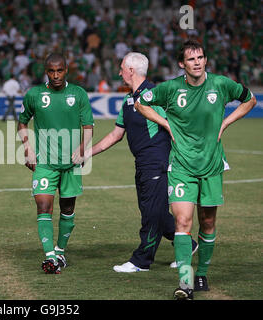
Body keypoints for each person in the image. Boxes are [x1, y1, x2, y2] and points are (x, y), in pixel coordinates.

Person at [135, 40, 257, 299]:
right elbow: (140, 103)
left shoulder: (221, 84)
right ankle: (186, 282)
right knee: (182, 221)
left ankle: (201, 272)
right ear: (182, 64)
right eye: (191, 59)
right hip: (181, 165)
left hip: (211, 164)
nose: (198, 62)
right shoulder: (169, 89)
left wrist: (225, 122)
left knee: (208, 222)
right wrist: (166, 123)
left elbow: (250, 100)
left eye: (201, 57)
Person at [81, 52, 186, 273]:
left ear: (131, 70)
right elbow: (115, 135)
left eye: (121, 68)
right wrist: (86, 154)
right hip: (142, 163)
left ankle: (141, 260)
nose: (119, 72)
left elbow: (173, 123)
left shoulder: (154, 96)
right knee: (153, 210)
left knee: (151, 213)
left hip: (157, 160)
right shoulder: (129, 100)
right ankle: (188, 245)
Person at [17, 53, 94, 274]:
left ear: (66, 70)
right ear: (45, 71)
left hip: (71, 165)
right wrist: (28, 147)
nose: (56, 75)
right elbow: (22, 123)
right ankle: (50, 256)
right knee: (43, 207)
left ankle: (60, 250)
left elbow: (88, 126)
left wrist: (82, 149)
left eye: (59, 70)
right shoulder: (34, 94)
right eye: (51, 71)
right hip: (45, 164)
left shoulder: (78, 94)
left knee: (67, 209)